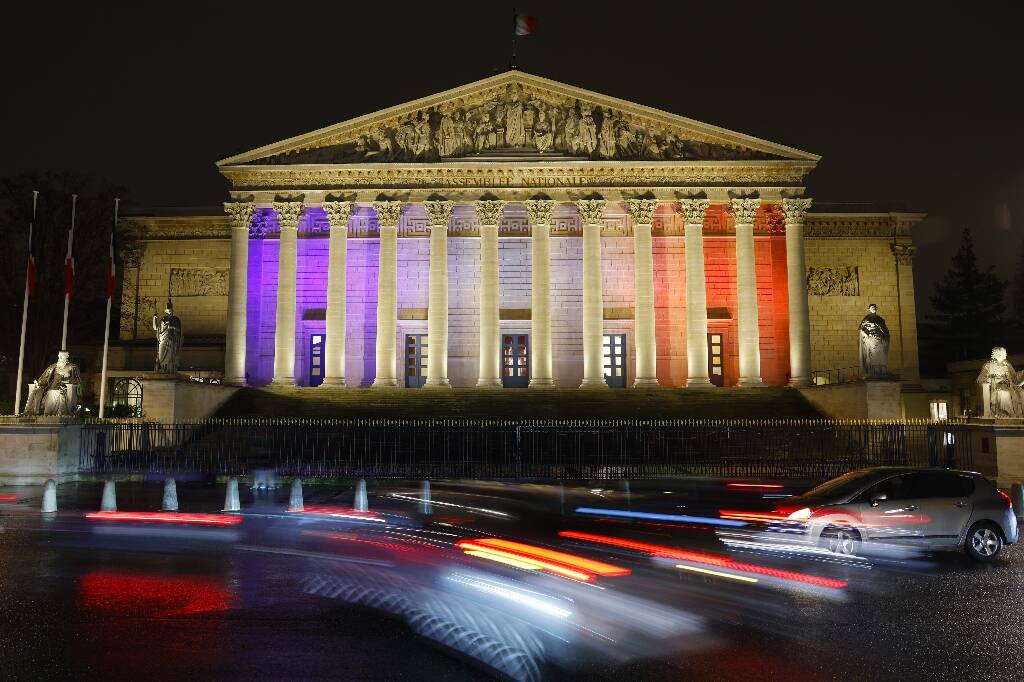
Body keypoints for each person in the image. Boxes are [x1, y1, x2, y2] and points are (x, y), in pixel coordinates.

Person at [24, 350, 81, 416]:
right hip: (50, 387)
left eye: (62, 356)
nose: (60, 358)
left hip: (63, 388)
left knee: (52, 392)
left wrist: (67, 380)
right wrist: (39, 383)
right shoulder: (53, 367)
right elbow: (45, 379)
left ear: (67, 356)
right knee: (36, 391)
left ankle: (47, 413)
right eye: (59, 356)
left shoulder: (72, 367)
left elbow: (77, 380)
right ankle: (29, 411)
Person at [976, 346, 1024, 418]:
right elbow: (980, 379)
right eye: (1003, 353)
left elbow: (1014, 378)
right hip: (996, 388)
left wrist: (1022, 373)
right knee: (1004, 393)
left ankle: (1020, 415)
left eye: (1005, 353)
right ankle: (1006, 414)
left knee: (1021, 392)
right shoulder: (988, 365)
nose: (1005, 355)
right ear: (997, 354)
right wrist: (996, 379)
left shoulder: (1007, 365)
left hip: (1010, 387)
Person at [858, 303, 890, 378]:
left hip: (879, 340)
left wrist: (884, 335)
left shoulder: (880, 319)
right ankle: (871, 370)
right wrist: (867, 334)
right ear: (869, 309)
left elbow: (885, 330)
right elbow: (861, 329)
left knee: (881, 355)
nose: (873, 308)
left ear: (876, 308)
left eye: (874, 307)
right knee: (871, 355)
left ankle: (881, 370)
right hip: (871, 340)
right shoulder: (866, 319)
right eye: (872, 307)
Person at [153, 299, 183, 373]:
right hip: (163, 339)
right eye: (168, 310)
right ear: (166, 311)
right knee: (161, 356)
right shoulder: (163, 320)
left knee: (170, 357)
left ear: (172, 311)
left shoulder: (176, 319)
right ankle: (162, 368)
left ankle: (169, 369)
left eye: (171, 310)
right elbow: (156, 328)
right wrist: (154, 319)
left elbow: (179, 331)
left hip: (171, 340)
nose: (169, 312)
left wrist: (171, 327)